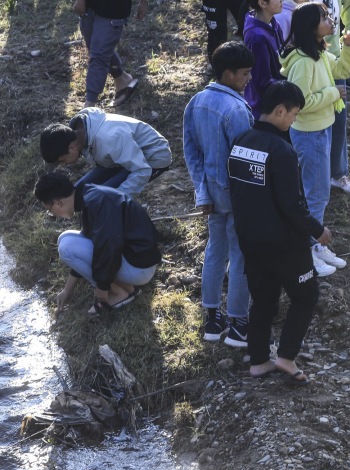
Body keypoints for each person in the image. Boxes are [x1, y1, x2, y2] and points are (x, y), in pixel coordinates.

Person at [228, 81, 327, 384]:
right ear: (280, 110)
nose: (294, 120)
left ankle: (258, 361)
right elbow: (292, 205)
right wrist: (318, 231)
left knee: (264, 300)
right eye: (294, 114)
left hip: (250, 239)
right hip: (284, 243)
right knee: (306, 296)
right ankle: (285, 356)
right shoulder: (282, 152)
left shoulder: (240, 142)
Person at [183, 41, 255, 346]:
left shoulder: (195, 103)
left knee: (215, 251)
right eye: (244, 74)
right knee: (241, 255)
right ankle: (239, 324)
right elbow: (247, 160)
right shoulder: (237, 109)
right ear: (227, 74)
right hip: (237, 194)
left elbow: (191, 152)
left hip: (211, 193)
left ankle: (212, 320)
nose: (249, 79)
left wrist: (203, 194)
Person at [280, 2, 350, 275]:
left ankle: (315, 245)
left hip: (322, 129)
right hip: (309, 133)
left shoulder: (320, 53)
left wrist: (348, 47)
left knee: (319, 192)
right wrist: (334, 94)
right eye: (324, 17)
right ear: (311, 26)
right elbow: (301, 102)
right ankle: (307, 250)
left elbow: (342, 71)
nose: (331, 20)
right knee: (315, 194)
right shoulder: (302, 61)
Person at [36, 172, 160, 316]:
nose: (54, 214)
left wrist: (102, 287)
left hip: (139, 268)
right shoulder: (90, 196)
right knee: (65, 238)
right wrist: (67, 290)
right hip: (138, 259)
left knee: (66, 246)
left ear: (58, 203)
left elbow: (109, 247)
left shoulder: (96, 202)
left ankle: (120, 293)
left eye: (50, 211)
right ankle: (125, 287)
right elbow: (89, 248)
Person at [303, 0, 350, 196]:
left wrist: (349, 33)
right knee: (313, 116)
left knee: (339, 117)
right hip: (310, 60)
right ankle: (313, 174)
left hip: (334, 60)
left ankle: (339, 173)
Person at [40, 106, 172, 197]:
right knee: (78, 193)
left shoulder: (109, 139)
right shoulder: (80, 133)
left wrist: (115, 197)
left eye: (62, 160)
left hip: (152, 157)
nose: (65, 164)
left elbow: (142, 170)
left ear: (71, 148)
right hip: (122, 158)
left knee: (101, 197)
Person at [243, 0, 285, 114]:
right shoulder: (257, 38)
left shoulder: (273, 23)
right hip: (266, 110)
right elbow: (262, 82)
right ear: (262, 3)